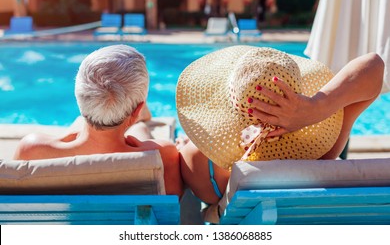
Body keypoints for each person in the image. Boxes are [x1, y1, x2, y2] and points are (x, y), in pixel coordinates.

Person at [176, 45, 384, 205]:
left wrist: (195, 142)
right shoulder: (325, 151)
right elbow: (374, 64)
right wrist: (316, 107)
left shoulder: (203, 165)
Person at [14, 44, 183, 197]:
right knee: (139, 130)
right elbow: (173, 204)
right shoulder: (162, 155)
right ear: (137, 109)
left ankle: (101, 117)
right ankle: (137, 119)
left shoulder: (31, 150)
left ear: (79, 97)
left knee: (79, 126)